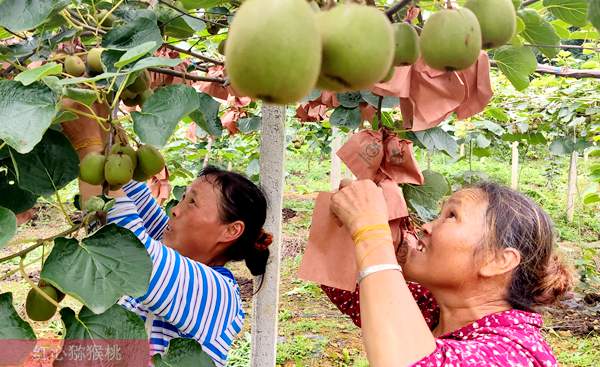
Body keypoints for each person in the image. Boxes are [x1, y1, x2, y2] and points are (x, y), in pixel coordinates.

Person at [61, 107, 271, 366]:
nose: (175, 209)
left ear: (231, 230)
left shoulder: (219, 296)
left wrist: (87, 145)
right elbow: (130, 193)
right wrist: (106, 127)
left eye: (192, 202)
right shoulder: (172, 249)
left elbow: (125, 250)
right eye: (182, 198)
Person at [326, 180, 572, 366]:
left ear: (497, 260)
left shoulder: (515, 354)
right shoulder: (432, 308)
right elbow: (335, 278)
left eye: (451, 216)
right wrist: (360, 210)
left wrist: (371, 233)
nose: (426, 226)